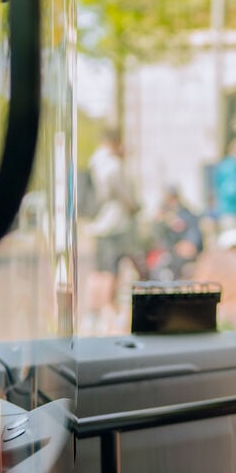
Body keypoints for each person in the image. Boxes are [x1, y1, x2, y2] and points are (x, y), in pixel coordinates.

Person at [82, 128, 137, 331]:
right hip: (112, 224)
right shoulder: (112, 164)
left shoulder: (94, 161)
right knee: (110, 270)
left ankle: (93, 312)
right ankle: (106, 311)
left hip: (98, 223)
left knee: (98, 269)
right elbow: (121, 193)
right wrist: (133, 206)